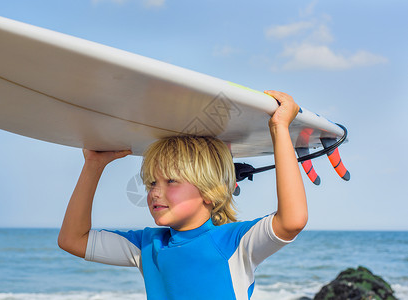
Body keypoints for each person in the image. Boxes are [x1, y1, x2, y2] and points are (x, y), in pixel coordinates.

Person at [58, 90, 308, 300]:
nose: (155, 191)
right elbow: (72, 240)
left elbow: (292, 220)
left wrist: (279, 128)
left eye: (171, 181)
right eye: (152, 182)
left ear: (209, 192)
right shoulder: (148, 245)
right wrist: (93, 165)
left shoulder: (233, 243)